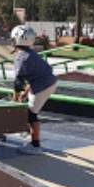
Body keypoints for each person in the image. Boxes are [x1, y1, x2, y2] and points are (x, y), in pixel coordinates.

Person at [9, 25, 57, 155]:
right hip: (49, 82)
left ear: (17, 40)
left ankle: (35, 145)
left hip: (43, 85)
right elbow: (37, 73)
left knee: (31, 114)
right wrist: (27, 90)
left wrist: (14, 99)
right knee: (28, 108)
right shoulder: (31, 53)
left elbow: (18, 82)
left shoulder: (20, 57)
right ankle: (25, 130)